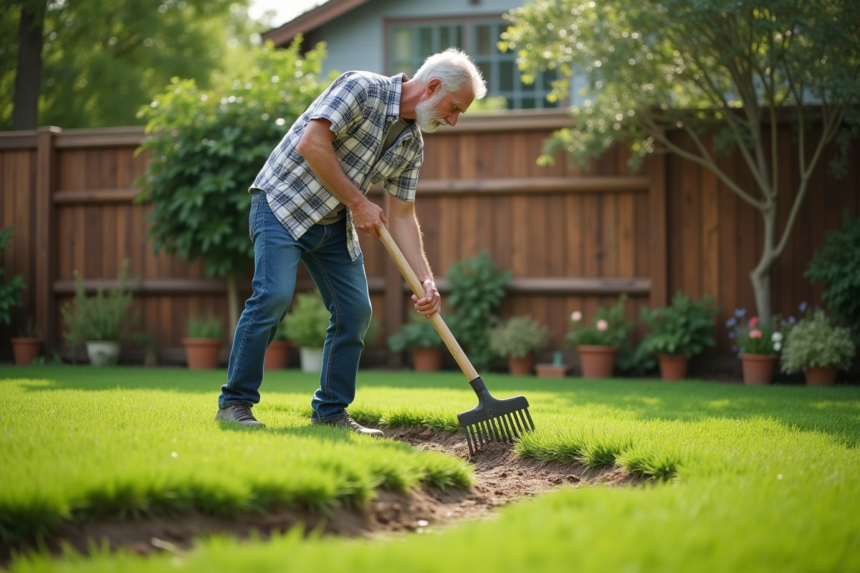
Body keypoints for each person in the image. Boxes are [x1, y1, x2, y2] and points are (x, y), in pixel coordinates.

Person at [215, 48, 487, 434]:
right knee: (273, 296)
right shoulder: (361, 88)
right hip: (281, 204)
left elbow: (403, 215)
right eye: (454, 107)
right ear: (433, 86)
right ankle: (234, 404)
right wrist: (358, 202)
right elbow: (311, 144)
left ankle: (330, 413)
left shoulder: (411, 146)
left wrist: (424, 278)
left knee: (355, 311)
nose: (454, 121)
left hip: (331, 222)